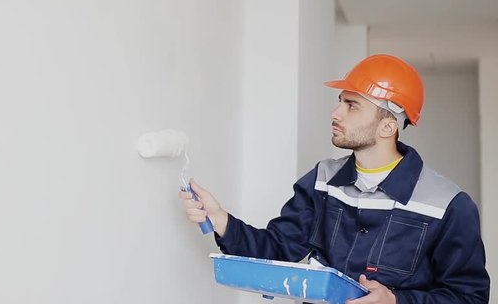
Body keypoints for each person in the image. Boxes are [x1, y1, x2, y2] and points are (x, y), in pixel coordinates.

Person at [179, 54, 490, 304]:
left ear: (388, 126)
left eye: (351, 105)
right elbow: (276, 249)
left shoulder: (447, 204)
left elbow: (469, 296)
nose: (335, 113)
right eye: (340, 101)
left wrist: (397, 300)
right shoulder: (322, 181)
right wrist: (221, 220)